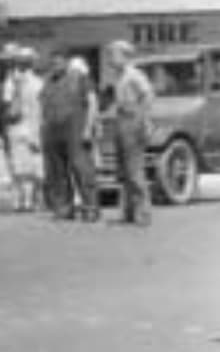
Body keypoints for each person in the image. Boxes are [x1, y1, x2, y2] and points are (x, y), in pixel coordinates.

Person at [39, 48, 99, 222]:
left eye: (58, 61)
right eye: (52, 62)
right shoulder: (48, 81)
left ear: (66, 62)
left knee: (81, 168)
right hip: (53, 130)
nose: (55, 65)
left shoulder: (80, 78)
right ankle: (64, 207)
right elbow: (43, 106)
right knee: (57, 172)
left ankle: (90, 207)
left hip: (75, 128)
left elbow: (93, 103)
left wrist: (88, 128)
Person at [106, 39, 154, 226]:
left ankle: (143, 212)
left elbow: (148, 95)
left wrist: (142, 118)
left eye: (114, 54)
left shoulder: (134, 74)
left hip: (132, 121)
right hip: (122, 120)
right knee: (124, 171)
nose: (110, 58)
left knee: (134, 170)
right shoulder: (119, 76)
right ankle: (129, 211)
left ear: (125, 56)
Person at [2, 47, 44, 212]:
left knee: (34, 167)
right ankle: (20, 200)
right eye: (21, 60)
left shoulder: (38, 82)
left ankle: (30, 200)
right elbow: (8, 109)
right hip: (18, 127)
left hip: (33, 126)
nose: (24, 63)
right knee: (19, 166)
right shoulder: (11, 82)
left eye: (27, 60)